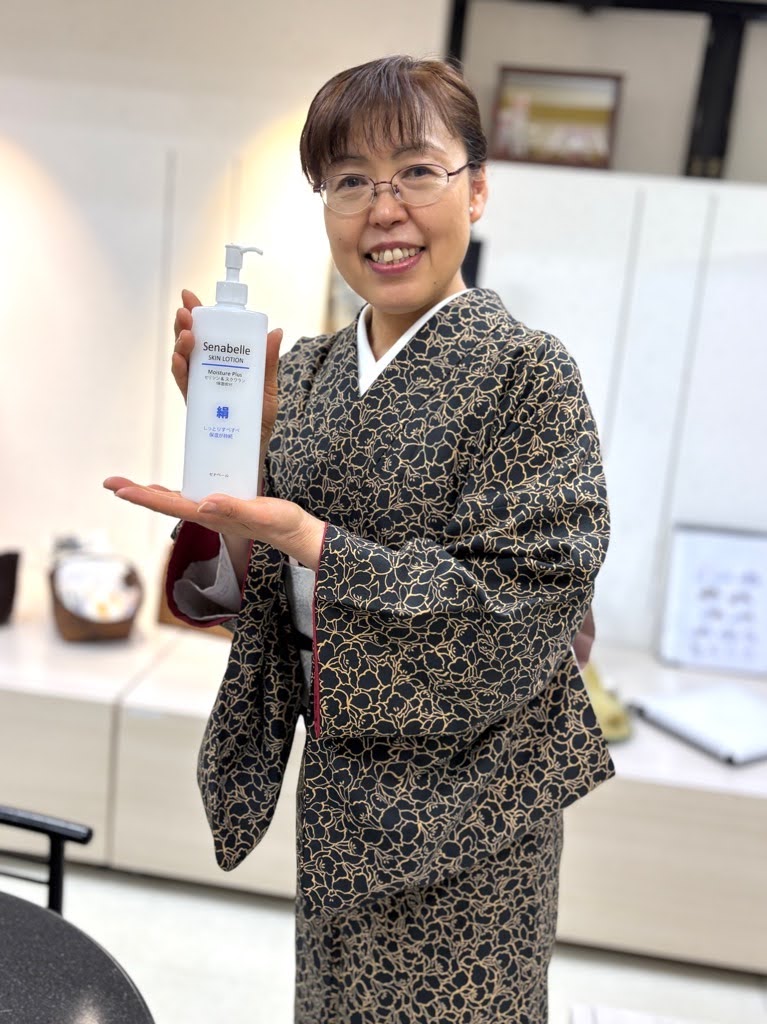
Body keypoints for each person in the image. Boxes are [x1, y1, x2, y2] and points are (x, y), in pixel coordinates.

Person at [105, 54, 614, 1024]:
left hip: (471, 816)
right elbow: (263, 597)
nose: (383, 210)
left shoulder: (526, 372)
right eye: (349, 181)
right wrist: (238, 467)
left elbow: (522, 604)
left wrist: (314, 541)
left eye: (416, 171)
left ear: (475, 187)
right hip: (340, 795)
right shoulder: (305, 372)